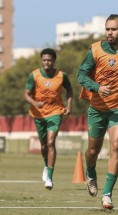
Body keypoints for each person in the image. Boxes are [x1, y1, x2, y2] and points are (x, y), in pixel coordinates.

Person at [77, 14, 118, 209]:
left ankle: (107, 194)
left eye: (113, 29)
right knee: (92, 151)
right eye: (107, 29)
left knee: (116, 145)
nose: (109, 32)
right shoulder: (96, 50)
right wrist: (97, 87)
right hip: (98, 107)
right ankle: (90, 171)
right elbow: (80, 74)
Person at [24, 48, 73, 190]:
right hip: (38, 114)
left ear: (54, 61)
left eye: (49, 60)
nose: (47, 62)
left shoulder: (61, 76)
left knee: (51, 142)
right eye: (44, 60)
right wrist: (35, 103)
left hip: (55, 112)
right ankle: (46, 165)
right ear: (41, 60)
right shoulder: (34, 75)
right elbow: (26, 94)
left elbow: (69, 90)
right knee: (44, 145)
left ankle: (49, 178)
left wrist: (69, 106)